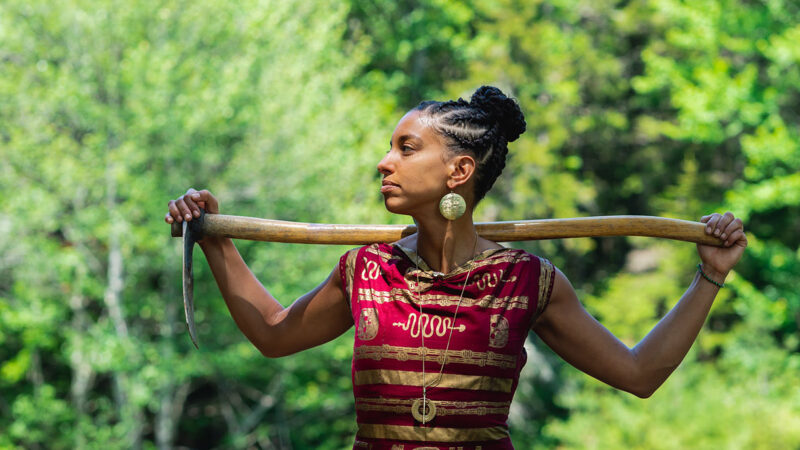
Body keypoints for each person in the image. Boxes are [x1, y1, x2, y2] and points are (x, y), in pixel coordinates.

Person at [165, 86, 747, 449]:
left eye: (406, 148)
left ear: (458, 172)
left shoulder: (529, 283)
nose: (383, 162)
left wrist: (711, 276)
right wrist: (215, 239)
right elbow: (272, 334)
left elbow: (638, 375)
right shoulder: (365, 270)